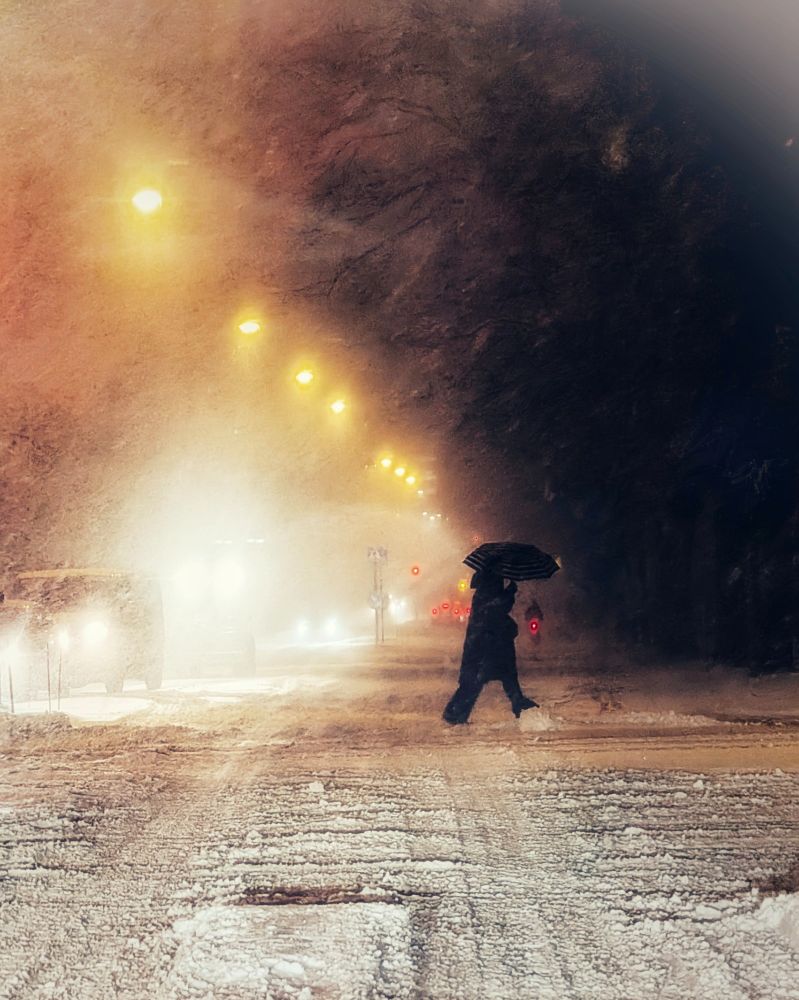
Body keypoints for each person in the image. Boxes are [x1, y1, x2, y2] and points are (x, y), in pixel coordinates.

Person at [443, 568, 538, 724]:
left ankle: (456, 713)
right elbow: (497, 609)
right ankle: (455, 713)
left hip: (488, 645)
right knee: (478, 680)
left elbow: (497, 610)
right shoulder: (487, 595)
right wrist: (510, 592)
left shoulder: (484, 593)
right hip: (487, 646)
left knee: (488, 679)